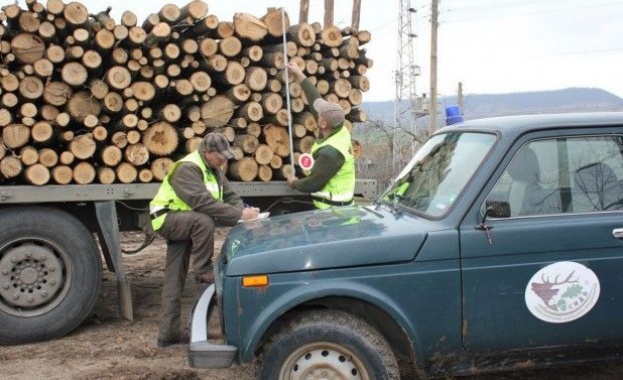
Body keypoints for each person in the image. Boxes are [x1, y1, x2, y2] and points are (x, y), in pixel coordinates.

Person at [149, 132, 259, 348]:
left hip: (185, 221)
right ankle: (202, 268)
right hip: (168, 220)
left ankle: (167, 336)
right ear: (207, 152)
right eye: (221, 157)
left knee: (173, 278)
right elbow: (204, 203)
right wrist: (239, 216)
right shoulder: (187, 168)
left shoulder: (214, 169)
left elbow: (230, 196)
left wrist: (246, 210)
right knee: (204, 220)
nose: (224, 161)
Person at [285, 61, 356, 209]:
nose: (316, 113)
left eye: (319, 115)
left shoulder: (331, 152)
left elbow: (313, 182)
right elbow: (314, 98)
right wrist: (299, 73)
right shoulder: (339, 129)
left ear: (323, 124)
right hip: (336, 209)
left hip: (333, 212)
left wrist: (294, 183)